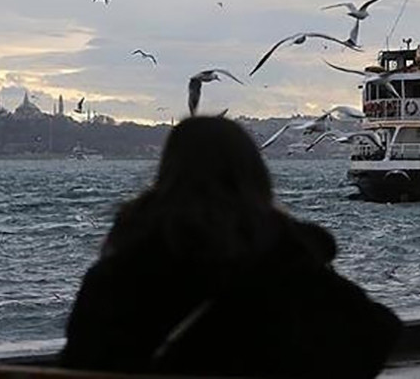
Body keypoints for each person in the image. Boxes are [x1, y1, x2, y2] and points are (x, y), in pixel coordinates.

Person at [60, 116, 401, 377]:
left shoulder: (119, 275)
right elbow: (377, 334)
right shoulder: (289, 267)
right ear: (256, 177)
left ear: (166, 173)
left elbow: (81, 364)